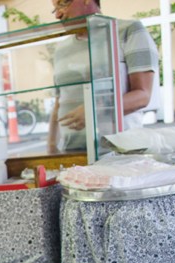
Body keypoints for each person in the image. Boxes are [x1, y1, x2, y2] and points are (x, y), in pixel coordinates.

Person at [47, 0, 159, 153]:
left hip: (120, 152)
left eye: (63, 3)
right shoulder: (61, 49)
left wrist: (93, 111)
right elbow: (59, 103)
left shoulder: (129, 30)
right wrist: (51, 147)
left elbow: (143, 95)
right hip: (72, 153)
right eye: (55, 9)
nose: (58, 15)